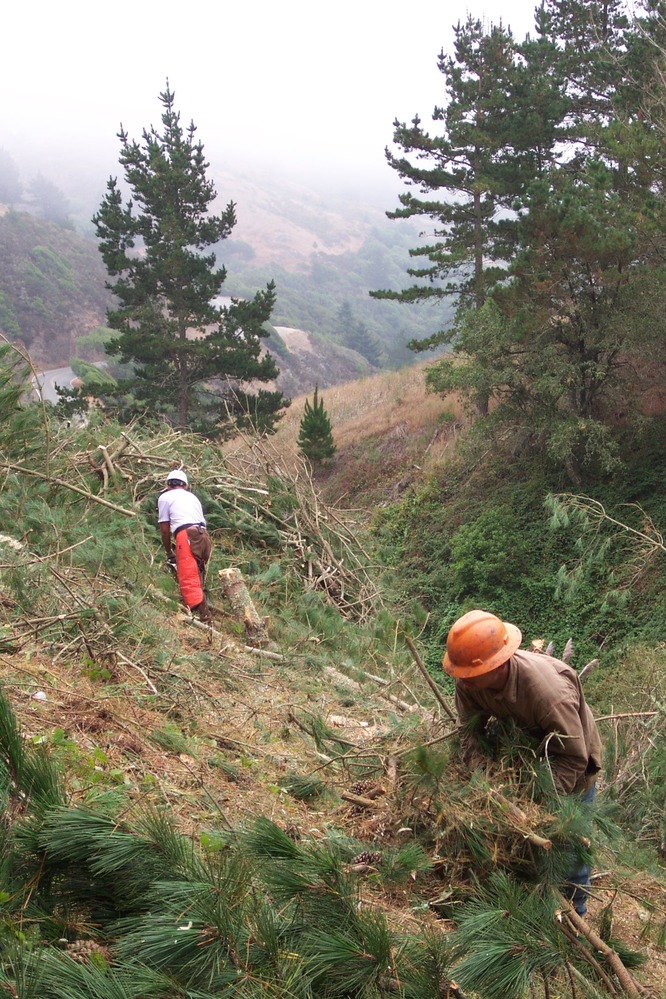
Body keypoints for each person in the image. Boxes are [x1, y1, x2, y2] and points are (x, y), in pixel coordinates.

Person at [442, 608, 602, 916]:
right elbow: (469, 734)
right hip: (525, 754)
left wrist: (535, 799)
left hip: (571, 761)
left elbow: (573, 758)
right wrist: (487, 783)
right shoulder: (471, 682)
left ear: (497, 665)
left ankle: (575, 915)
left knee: (570, 843)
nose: (463, 680)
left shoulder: (548, 693)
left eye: (470, 674)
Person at [157, 469, 212, 624]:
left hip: (186, 534)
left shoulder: (165, 497)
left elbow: (165, 529)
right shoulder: (192, 497)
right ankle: (200, 611)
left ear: (168, 485)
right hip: (204, 537)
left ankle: (204, 620)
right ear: (185, 485)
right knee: (198, 574)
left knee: (188, 577)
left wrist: (168, 551)